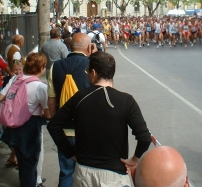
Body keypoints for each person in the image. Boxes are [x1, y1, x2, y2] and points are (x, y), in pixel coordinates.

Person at [47, 51, 151, 187]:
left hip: (84, 173)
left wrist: (70, 153)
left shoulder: (79, 97)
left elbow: (53, 125)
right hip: (114, 175)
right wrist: (134, 160)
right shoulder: (126, 100)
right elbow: (145, 138)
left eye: (87, 71)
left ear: (94, 73)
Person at [47, 33, 93, 187]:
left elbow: (52, 101)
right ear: (89, 48)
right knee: (88, 173)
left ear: (70, 46)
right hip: (86, 130)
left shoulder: (56, 67)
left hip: (64, 130)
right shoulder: (92, 66)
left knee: (66, 172)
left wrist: (57, 124)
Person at [0, 53, 50, 187]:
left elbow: (0, 97)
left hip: (13, 125)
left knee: (22, 162)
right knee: (30, 163)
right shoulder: (41, 87)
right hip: (30, 127)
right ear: (41, 67)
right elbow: (48, 114)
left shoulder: (16, 78)